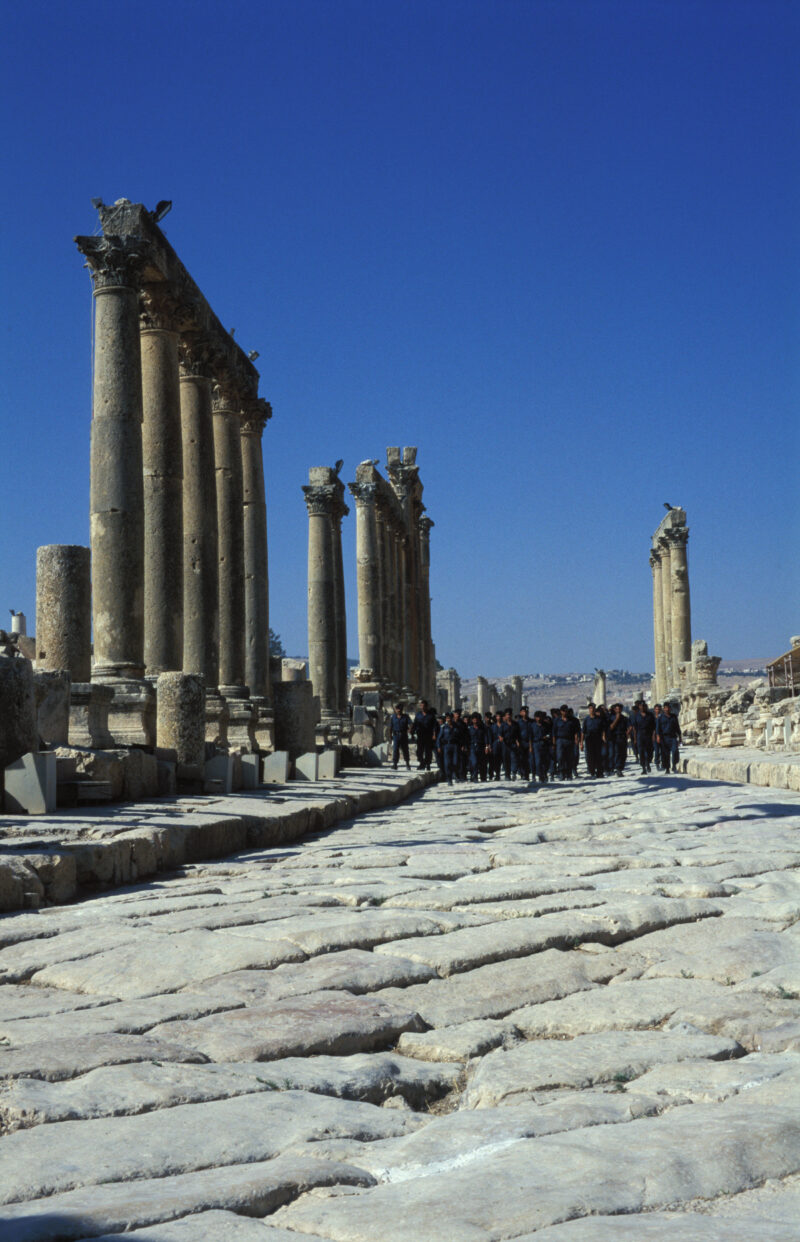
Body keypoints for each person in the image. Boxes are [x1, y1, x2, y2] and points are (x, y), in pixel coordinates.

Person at [553, 705, 580, 779]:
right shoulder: (557, 720)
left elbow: (576, 731)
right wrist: (554, 743)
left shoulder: (573, 720)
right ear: (561, 712)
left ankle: (569, 773)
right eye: (564, 711)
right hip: (560, 740)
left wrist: (576, 739)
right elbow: (554, 732)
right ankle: (561, 772)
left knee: (569, 758)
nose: (565, 712)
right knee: (560, 757)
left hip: (570, 740)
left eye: (566, 711)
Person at [581, 702, 606, 778]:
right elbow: (583, 732)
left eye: (593, 708)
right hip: (589, 740)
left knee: (598, 756)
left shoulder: (599, 719)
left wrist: (604, 738)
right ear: (589, 710)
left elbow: (603, 730)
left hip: (598, 739)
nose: (591, 710)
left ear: (595, 709)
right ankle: (592, 772)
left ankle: (599, 772)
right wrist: (581, 743)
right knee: (590, 757)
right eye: (590, 708)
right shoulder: (586, 720)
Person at [656, 702, 682, 772]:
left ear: (670, 709)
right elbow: (658, 728)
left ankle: (674, 765)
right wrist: (658, 736)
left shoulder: (674, 717)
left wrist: (680, 737)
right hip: (664, 738)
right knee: (665, 754)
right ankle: (667, 768)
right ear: (664, 709)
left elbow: (677, 727)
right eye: (666, 708)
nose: (667, 709)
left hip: (673, 737)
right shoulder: (660, 717)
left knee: (675, 751)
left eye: (668, 708)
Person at [631, 701, 656, 774]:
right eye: (641, 706)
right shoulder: (637, 716)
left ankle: (648, 763)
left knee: (649, 751)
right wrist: (635, 738)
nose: (642, 708)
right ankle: (643, 767)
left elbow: (654, 727)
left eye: (643, 706)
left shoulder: (650, 715)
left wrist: (653, 735)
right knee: (641, 751)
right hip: (640, 735)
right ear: (639, 707)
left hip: (648, 734)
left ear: (646, 707)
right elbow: (634, 728)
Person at [411, 699, 436, 771]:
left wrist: (434, 734)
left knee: (428, 751)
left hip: (428, 736)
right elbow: (415, 724)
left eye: (424, 706)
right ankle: (422, 762)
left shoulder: (431, 715)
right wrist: (412, 732)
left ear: (426, 706)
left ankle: (427, 764)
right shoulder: (418, 714)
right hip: (420, 735)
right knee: (419, 751)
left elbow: (434, 726)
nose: (422, 707)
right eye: (421, 706)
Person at [437, 711, 460, 786]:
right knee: (447, 764)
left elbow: (461, 737)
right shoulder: (443, 727)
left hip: (455, 746)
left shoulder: (456, 726)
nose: (448, 719)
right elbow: (439, 738)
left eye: (450, 718)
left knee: (455, 762)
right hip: (446, 746)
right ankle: (449, 779)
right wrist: (439, 746)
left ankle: (455, 774)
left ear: (452, 718)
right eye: (447, 718)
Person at [607, 702, 629, 775]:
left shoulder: (624, 718)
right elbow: (611, 727)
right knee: (617, 753)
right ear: (614, 709)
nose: (618, 710)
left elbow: (628, 727)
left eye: (619, 709)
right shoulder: (611, 717)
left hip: (623, 737)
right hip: (615, 737)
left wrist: (627, 733)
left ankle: (620, 767)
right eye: (616, 709)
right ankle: (618, 768)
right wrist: (616, 719)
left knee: (624, 754)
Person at [500, 708, 520, 780]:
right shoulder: (503, 725)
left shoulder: (515, 724)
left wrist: (518, 742)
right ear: (505, 716)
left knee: (514, 758)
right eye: (507, 715)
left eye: (510, 715)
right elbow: (500, 734)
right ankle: (507, 775)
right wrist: (501, 738)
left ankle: (514, 772)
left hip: (513, 744)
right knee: (506, 760)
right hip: (505, 744)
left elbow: (518, 734)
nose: (509, 716)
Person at [389, 703, 411, 770]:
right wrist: (390, 734)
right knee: (395, 750)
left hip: (403, 735)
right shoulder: (393, 717)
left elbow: (411, 724)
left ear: (402, 709)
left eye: (399, 709)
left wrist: (409, 731)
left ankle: (407, 764)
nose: (398, 710)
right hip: (396, 735)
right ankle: (395, 764)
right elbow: (391, 726)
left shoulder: (406, 717)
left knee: (405, 750)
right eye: (397, 709)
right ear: (395, 710)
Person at [530, 710, 550, 783]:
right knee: (538, 762)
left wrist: (547, 737)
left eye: (540, 717)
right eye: (537, 717)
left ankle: (545, 773)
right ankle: (540, 775)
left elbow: (549, 734)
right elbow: (530, 737)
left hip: (545, 744)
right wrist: (530, 747)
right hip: (536, 744)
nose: (539, 719)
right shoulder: (532, 725)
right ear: (535, 718)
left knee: (545, 761)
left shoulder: (546, 725)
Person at [468, 712, 488, 782]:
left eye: (476, 719)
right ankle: (474, 776)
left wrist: (486, 747)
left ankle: (483, 777)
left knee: (482, 763)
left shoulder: (482, 729)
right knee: (474, 762)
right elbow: (467, 738)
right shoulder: (469, 729)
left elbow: (485, 738)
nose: (475, 720)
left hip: (481, 747)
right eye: (473, 719)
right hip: (472, 747)